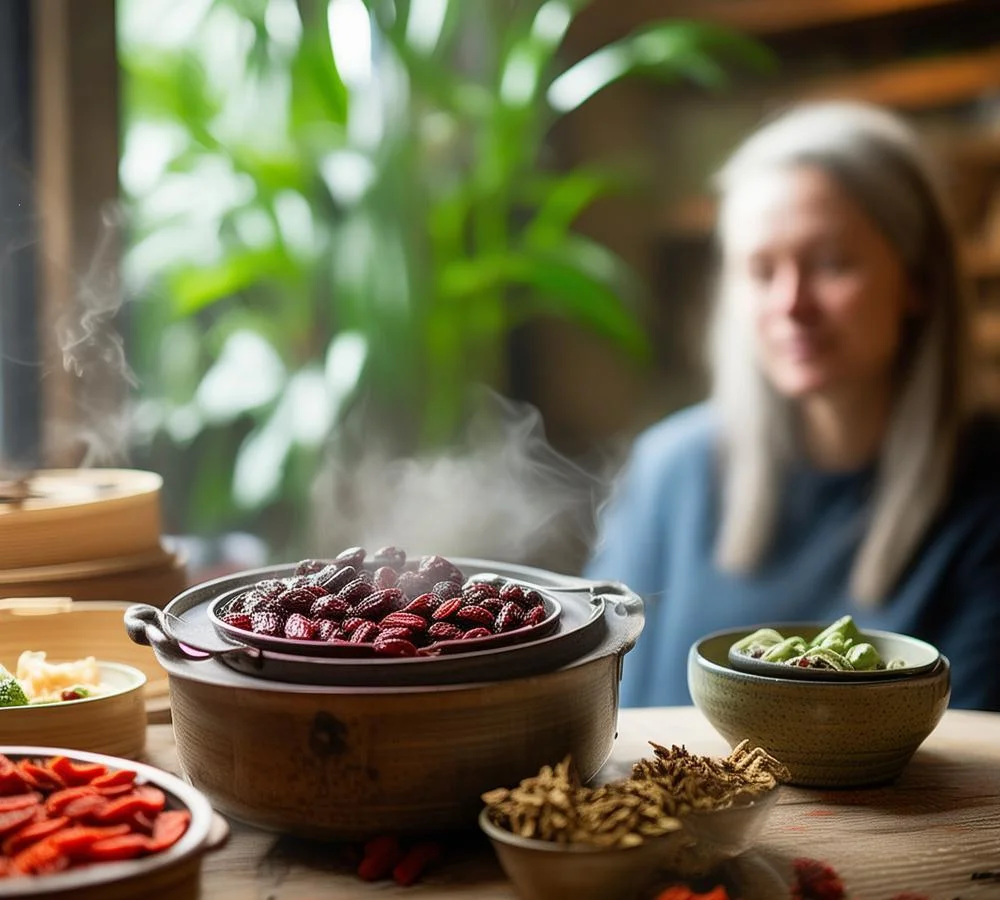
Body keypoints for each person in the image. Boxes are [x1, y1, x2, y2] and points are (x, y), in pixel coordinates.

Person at [585, 100, 1000, 712]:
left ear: (919, 280)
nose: (791, 304)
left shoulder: (985, 490)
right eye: (760, 271)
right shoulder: (669, 471)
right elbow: (596, 704)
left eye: (831, 264)